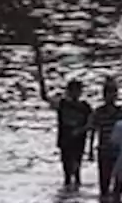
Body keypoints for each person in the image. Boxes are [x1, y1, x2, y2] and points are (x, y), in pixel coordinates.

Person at [34, 46, 93, 188]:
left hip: (78, 141)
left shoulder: (85, 107)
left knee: (77, 170)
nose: (76, 94)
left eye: (78, 91)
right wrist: (40, 76)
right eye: (73, 91)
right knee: (67, 170)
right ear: (69, 91)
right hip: (65, 141)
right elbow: (45, 97)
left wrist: (83, 135)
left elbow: (91, 125)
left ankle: (74, 190)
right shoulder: (62, 104)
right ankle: (70, 190)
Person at [88, 78, 122, 203]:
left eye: (114, 93)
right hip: (104, 151)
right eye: (108, 93)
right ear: (104, 95)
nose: (111, 96)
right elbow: (93, 131)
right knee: (104, 183)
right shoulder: (98, 112)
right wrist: (90, 151)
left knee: (119, 183)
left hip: (118, 152)